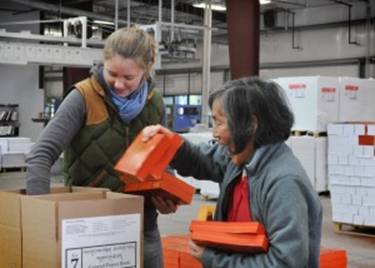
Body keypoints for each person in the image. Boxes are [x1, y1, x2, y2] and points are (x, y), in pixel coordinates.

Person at [25, 27, 177, 268]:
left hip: (142, 225)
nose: (118, 84)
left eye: (128, 78)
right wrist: (40, 217)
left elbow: (162, 159)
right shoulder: (83, 97)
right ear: (103, 63)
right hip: (89, 228)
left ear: (145, 71)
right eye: (112, 73)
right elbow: (40, 155)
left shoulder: (155, 103)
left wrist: (167, 194)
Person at [143, 77, 323, 268]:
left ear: (252, 124)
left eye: (219, 123)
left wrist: (214, 259)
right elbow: (201, 160)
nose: (214, 134)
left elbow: (284, 263)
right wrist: (170, 143)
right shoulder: (240, 159)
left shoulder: (284, 183)